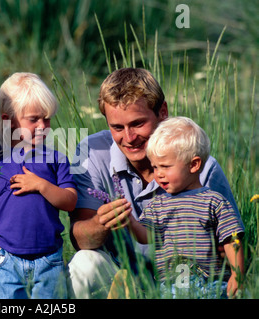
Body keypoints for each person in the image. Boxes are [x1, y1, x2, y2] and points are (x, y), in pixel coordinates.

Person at [67, 67, 244, 299]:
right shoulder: (90, 151)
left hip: (192, 282)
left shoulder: (201, 167)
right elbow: (79, 238)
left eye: (138, 124)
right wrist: (101, 223)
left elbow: (232, 240)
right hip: (119, 276)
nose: (129, 138)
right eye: (117, 128)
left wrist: (235, 270)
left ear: (163, 112)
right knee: (84, 264)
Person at [0, 72, 77, 299]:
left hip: (49, 258)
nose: (42, 126)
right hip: (6, 257)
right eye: (34, 119)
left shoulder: (55, 159)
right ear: (9, 120)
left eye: (47, 119)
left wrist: (41, 185)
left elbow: (70, 201)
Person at [124, 116, 244, 298]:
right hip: (170, 286)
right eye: (155, 167)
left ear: (194, 165)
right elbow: (146, 236)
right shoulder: (158, 204)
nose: (159, 174)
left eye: (165, 166)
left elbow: (231, 238)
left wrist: (237, 273)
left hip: (210, 284)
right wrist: (129, 220)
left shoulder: (213, 201)